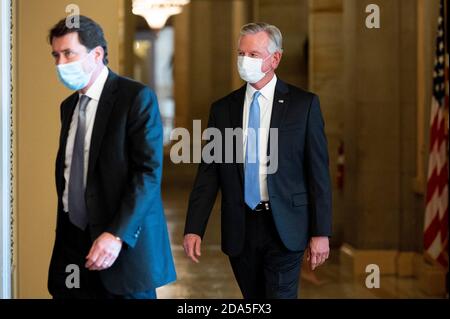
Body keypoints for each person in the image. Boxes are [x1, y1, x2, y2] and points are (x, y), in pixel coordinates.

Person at [183, 22, 332, 299]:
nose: (244, 61)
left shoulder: (304, 105)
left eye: (253, 55)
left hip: (286, 226)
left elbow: (318, 173)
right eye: (241, 53)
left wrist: (320, 231)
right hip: (240, 227)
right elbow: (209, 174)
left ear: (274, 59)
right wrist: (194, 228)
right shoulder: (223, 109)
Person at [47, 15, 176, 299]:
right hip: (73, 247)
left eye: (68, 53)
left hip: (124, 249)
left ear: (97, 54)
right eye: (56, 55)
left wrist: (116, 234)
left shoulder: (135, 98)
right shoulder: (68, 106)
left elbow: (147, 174)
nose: (60, 64)